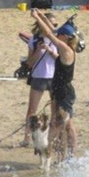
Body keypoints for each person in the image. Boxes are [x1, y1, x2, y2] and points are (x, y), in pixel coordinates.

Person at [31, 9, 77, 160]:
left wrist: (37, 18)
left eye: (60, 34)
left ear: (66, 37)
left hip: (65, 92)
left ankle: (48, 148)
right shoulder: (64, 45)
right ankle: (63, 155)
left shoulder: (66, 49)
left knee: (60, 124)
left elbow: (50, 34)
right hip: (58, 90)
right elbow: (54, 31)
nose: (58, 35)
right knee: (66, 125)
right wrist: (43, 16)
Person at [22, 12, 58, 146]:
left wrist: (50, 50)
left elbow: (61, 59)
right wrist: (38, 50)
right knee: (32, 110)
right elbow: (30, 63)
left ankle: (53, 137)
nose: (53, 26)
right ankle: (26, 137)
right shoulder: (34, 39)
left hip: (54, 76)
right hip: (39, 76)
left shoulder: (57, 38)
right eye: (51, 23)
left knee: (55, 110)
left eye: (55, 24)